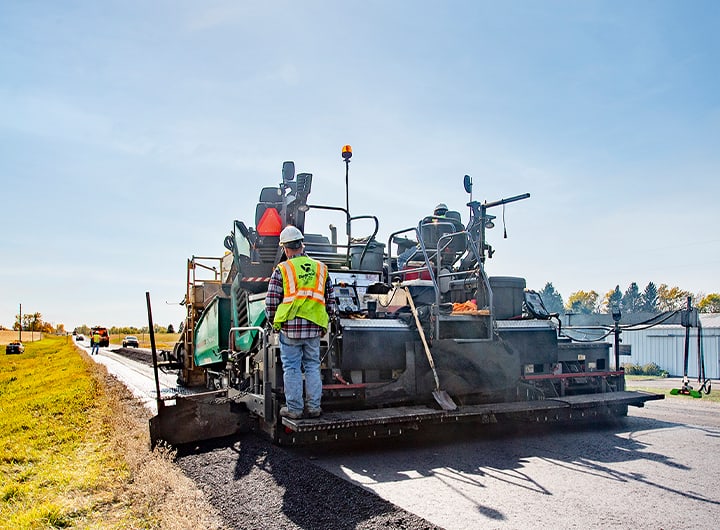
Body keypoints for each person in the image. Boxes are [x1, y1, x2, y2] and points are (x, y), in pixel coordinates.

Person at [265, 225, 336, 419]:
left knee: (292, 368)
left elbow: (271, 301)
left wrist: (273, 322)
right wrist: (325, 323)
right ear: (302, 245)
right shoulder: (321, 268)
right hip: (314, 329)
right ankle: (314, 408)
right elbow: (331, 300)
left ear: (285, 249)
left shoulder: (283, 269)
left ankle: (295, 410)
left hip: (290, 329)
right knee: (313, 365)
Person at [397, 203, 450, 270]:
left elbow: (419, 237)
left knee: (401, 258)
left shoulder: (429, 221)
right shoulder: (453, 224)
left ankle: (400, 277)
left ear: (435, 212)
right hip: (447, 252)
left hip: (428, 250)